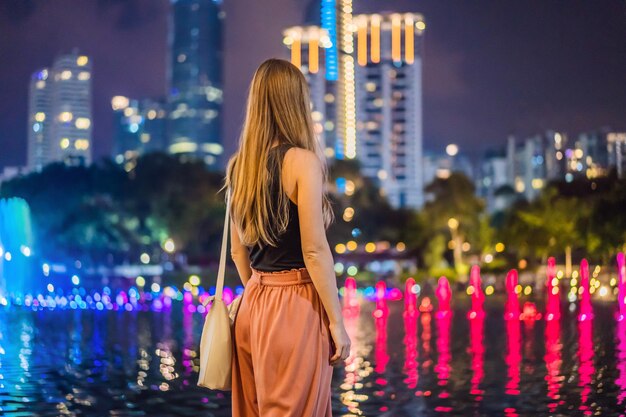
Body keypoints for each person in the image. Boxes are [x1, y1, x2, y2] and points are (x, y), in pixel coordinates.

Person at [221, 58, 351, 416]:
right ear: (295, 103)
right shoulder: (302, 161)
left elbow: (237, 252)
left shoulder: (238, 166)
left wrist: (258, 294)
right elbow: (313, 250)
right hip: (295, 306)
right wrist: (337, 322)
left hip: (251, 306)